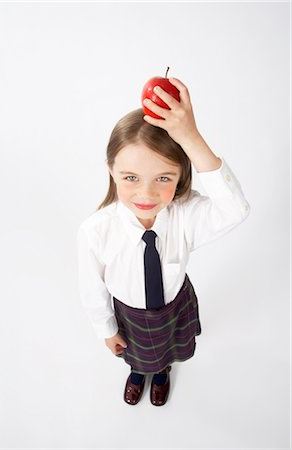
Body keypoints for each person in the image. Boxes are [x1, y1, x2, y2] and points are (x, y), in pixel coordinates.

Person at [77, 77, 250, 407]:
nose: (146, 193)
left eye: (163, 178)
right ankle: (139, 373)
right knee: (136, 355)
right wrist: (106, 329)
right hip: (128, 316)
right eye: (131, 178)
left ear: (181, 177)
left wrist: (190, 136)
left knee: (166, 353)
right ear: (111, 170)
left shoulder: (185, 216)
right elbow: (92, 289)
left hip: (173, 310)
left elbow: (235, 209)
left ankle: (161, 373)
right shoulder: (95, 231)